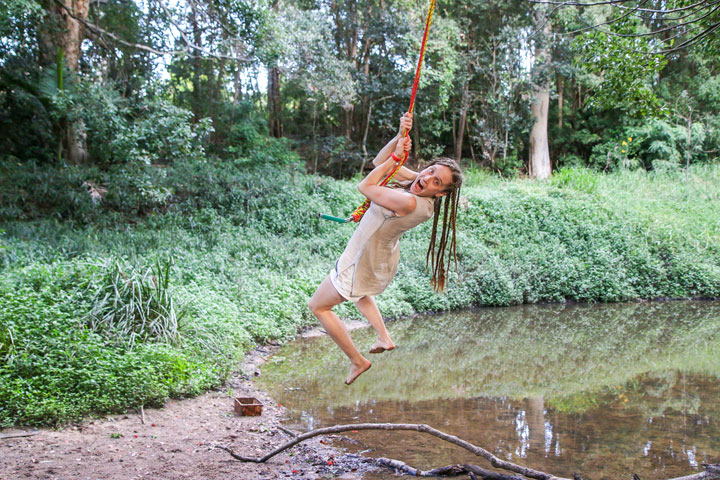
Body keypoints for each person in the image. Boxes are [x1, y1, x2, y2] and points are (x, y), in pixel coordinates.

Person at [308, 112, 463, 385]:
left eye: (436, 183)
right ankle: (384, 337)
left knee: (319, 307)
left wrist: (395, 159)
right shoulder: (417, 187)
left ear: (441, 195)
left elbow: (366, 184)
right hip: (379, 257)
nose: (427, 179)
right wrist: (400, 135)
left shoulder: (411, 203)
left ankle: (358, 361)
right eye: (430, 171)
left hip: (363, 258)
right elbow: (380, 162)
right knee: (361, 294)